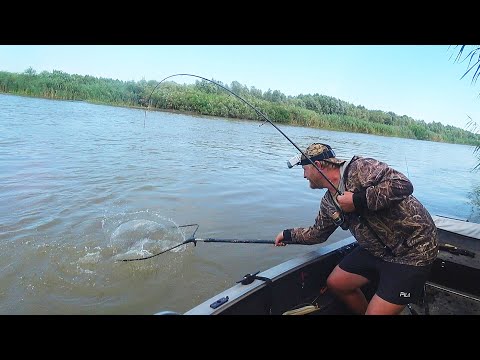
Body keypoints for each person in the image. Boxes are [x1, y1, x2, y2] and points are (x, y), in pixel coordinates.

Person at [275, 143, 438, 315]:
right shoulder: (328, 203)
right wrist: (287, 235)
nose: (304, 176)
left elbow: (403, 185)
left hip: (413, 251)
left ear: (319, 165)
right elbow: (317, 234)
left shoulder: (359, 168)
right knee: (337, 283)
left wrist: (358, 200)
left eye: (305, 169)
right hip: (376, 250)